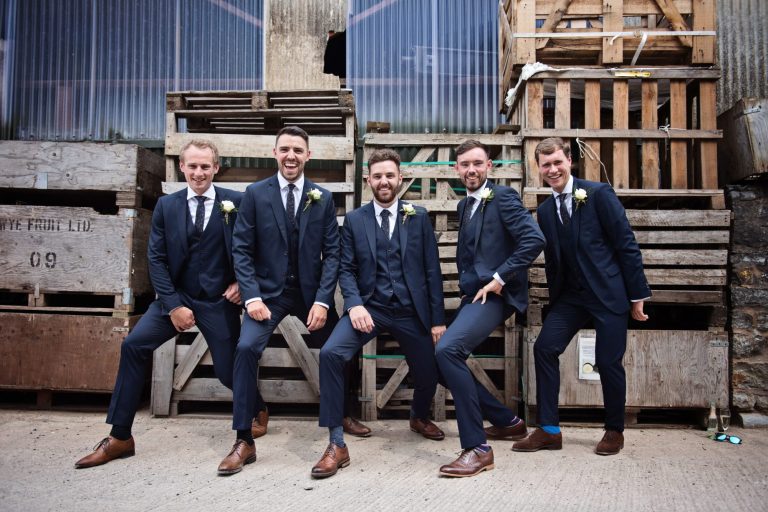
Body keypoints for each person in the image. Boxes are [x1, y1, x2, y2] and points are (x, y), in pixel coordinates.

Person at [75, 140, 243, 469]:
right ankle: (120, 435)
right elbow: (156, 259)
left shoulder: (236, 203)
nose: (199, 172)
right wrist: (173, 304)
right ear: (182, 167)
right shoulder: (167, 206)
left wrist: (241, 284)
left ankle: (257, 407)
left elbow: (254, 248)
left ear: (216, 168)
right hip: (175, 298)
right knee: (135, 345)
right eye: (192, 166)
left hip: (217, 300)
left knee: (228, 371)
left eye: (205, 166)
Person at [219, 126, 367, 475]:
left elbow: (332, 254)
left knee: (340, 348)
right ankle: (244, 440)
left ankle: (340, 423)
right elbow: (241, 249)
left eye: (298, 150)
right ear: (275, 153)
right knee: (245, 350)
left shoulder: (323, 197)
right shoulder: (255, 194)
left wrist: (323, 301)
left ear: (308, 156)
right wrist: (251, 295)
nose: (291, 156)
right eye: (285, 149)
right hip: (267, 295)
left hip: (309, 294)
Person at [311, 149, 446, 478]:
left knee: (429, 369)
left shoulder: (418, 215)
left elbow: (431, 271)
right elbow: (346, 268)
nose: (384, 181)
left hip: (410, 311)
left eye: (390, 175)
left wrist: (437, 320)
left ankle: (418, 415)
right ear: (368, 180)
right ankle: (336, 443)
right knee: (330, 353)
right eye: (377, 176)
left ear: (400, 178)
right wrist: (354, 303)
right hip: (370, 308)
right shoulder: (356, 220)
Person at [512, 137, 650, 456]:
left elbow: (625, 244)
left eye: (557, 162)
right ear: (539, 169)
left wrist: (638, 295)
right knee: (545, 348)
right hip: (571, 297)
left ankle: (614, 430)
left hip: (608, 293)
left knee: (607, 360)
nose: (553, 169)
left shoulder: (598, 194)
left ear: (569, 161)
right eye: (546, 165)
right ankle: (549, 429)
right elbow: (553, 260)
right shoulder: (545, 211)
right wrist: (554, 300)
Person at [435, 140, 545, 478]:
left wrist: (499, 278)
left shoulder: (504, 199)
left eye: (478, 164)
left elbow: (534, 240)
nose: (471, 170)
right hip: (475, 296)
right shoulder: (463, 206)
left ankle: (478, 448)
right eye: (465, 164)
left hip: (499, 295)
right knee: (438, 357)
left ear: (489, 167)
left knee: (448, 350)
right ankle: (506, 421)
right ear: (457, 169)